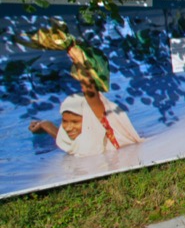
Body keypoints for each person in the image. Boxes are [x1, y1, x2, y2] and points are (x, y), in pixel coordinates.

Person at [23, 19, 143, 156]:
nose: (67, 128)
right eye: (64, 121)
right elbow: (66, 141)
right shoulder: (82, 141)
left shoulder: (108, 133)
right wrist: (45, 125)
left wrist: (77, 59)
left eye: (74, 122)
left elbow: (91, 93)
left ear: (90, 118)